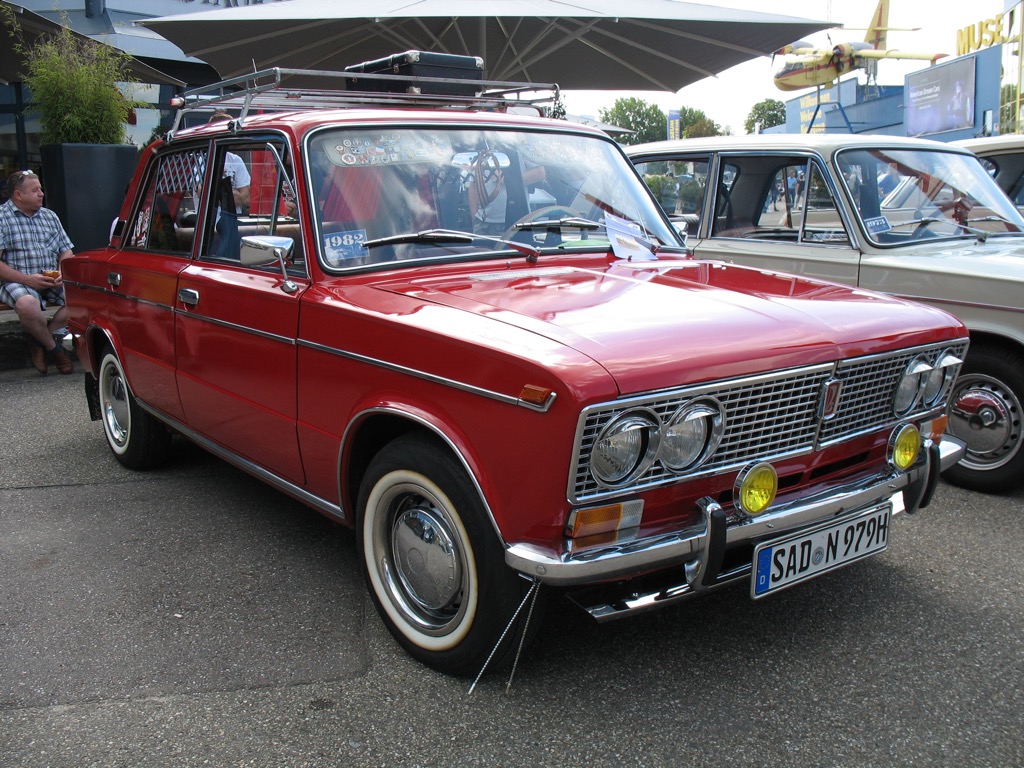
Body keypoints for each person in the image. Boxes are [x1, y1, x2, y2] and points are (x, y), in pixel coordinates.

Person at [0, 169, 75, 375]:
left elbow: (66, 250)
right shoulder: (2, 218)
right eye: (35, 190)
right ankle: (56, 349)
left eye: (41, 189)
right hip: (17, 280)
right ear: (18, 194)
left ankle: (38, 339)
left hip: (52, 279)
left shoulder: (50, 216)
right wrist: (28, 280)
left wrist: (62, 271)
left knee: (84, 298)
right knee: (28, 305)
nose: (41, 194)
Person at [206, 112, 251, 259]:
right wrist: (234, 193)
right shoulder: (202, 160)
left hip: (234, 221)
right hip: (209, 225)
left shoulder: (236, 160)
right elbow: (206, 193)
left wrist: (225, 193)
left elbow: (247, 198)